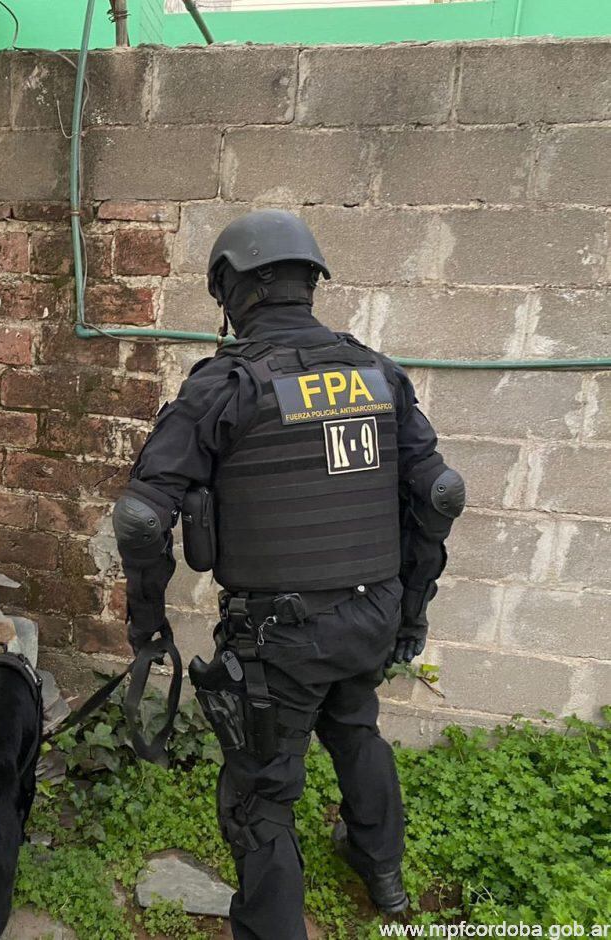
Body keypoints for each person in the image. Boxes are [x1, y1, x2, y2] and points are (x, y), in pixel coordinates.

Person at [112, 209, 464, 940]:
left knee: (261, 796)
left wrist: (147, 622)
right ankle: (384, 873)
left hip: (280, 641)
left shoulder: (226, 385)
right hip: (370, 617)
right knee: (356, 726)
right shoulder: (378, 372)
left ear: (235, 291)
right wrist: (413, 613)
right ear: (308, 283)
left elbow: (143, 518)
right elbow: (439, 494)